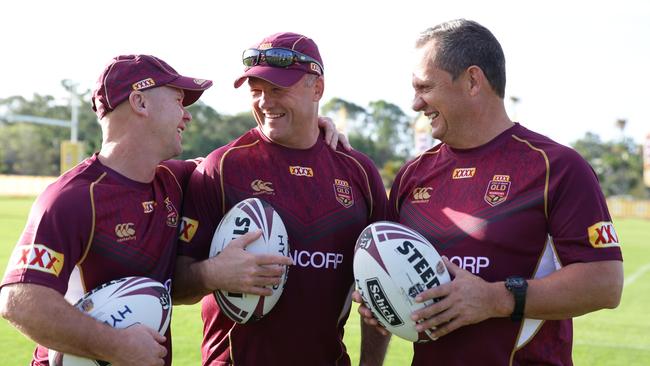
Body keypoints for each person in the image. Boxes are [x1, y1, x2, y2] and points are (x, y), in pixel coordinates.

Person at [354, 19, 624, 365]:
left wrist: (495, 299)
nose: (415, 103)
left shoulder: (555, 167)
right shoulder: (412, 174)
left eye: (424, 88)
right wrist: (383, 300)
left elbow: (604, 283)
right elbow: (387, 274)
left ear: (472, 81)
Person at [173, 32, 390, 365]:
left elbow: (381, 288)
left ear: (317, 88)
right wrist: (212, 274)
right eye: (256, 91)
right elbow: (175, 282)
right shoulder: (223, 167)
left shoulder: (359, 172)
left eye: (278, 89)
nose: (265, 102)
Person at [0, 54, 213, 366]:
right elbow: (19, 303)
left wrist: (311, 135)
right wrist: (115, 345)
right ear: (140, 103)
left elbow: (236, 165)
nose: (187, 116)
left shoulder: (176, 180)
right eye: (179, 100)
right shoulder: (71, 198)